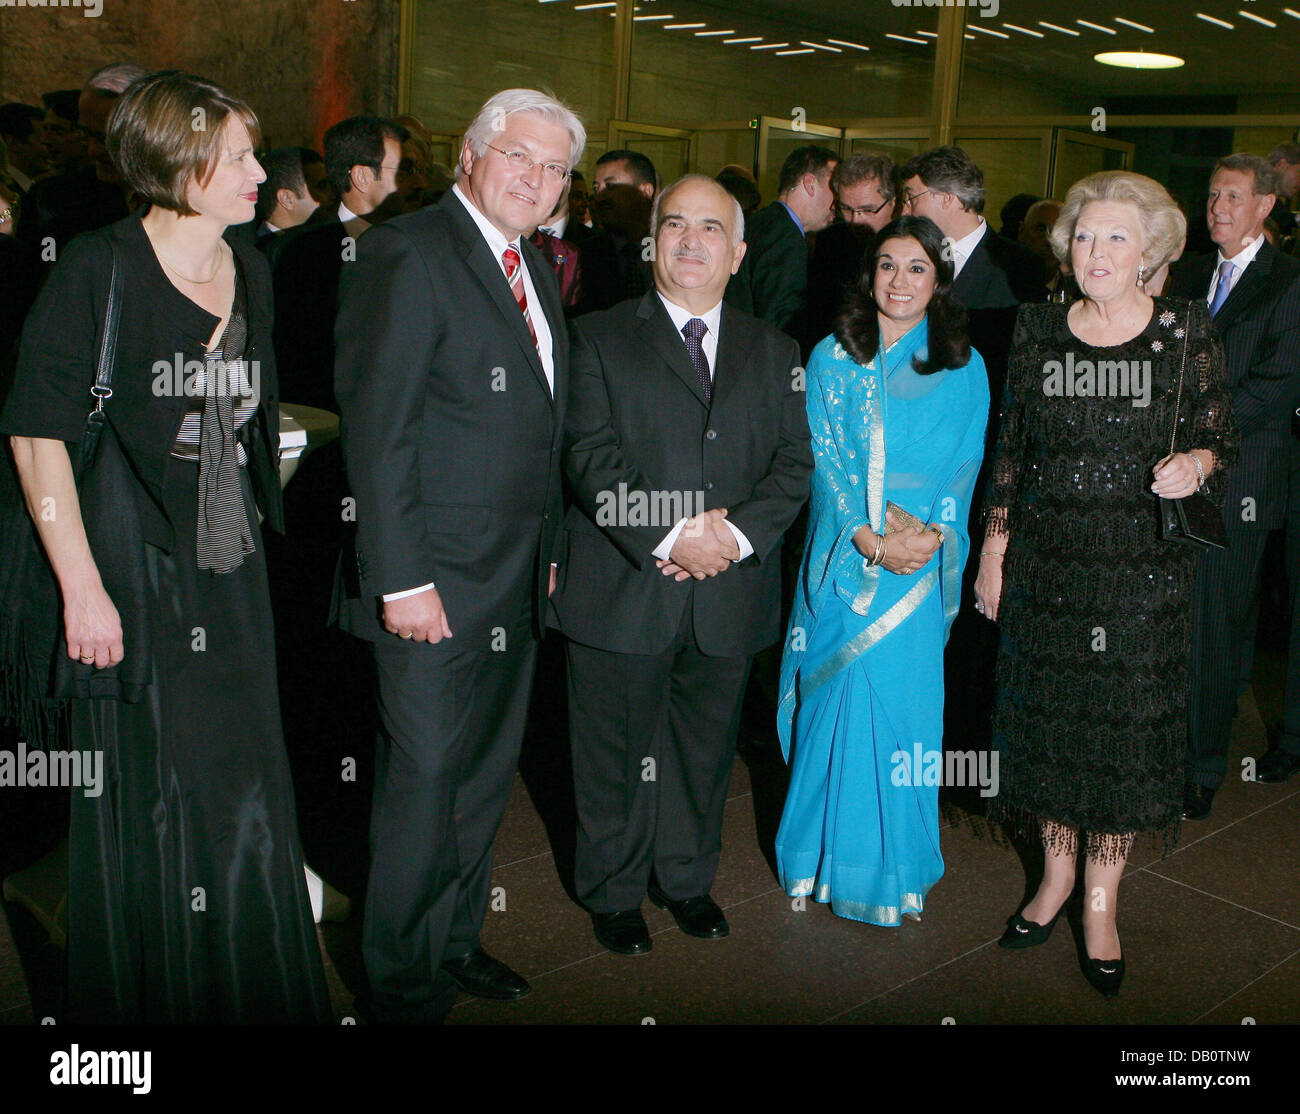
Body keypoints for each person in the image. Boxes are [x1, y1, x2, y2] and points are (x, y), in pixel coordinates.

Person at [0, 70, 330, 1023]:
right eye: (238, 158)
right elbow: (37, 435)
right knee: (151, 795)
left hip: (229, 565)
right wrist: (81, 590)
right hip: (128, 566)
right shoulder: (97, 268)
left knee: (248, 784)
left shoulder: (252, 267)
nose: (259, 173)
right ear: (180, 167)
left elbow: (240, 416)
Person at [332, 87, 584, 1024]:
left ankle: (453, 941)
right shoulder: (406, 252)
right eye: (520, 155)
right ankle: (400, 986)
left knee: (481, 777)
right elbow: (380, 432)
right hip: (430, 586)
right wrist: (402, 578)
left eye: (555, 167)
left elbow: (540, 432)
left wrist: (549, 552)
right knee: (424, 781)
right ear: (472, 155)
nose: (537, 178)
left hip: (514, 584)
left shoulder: (531, 265)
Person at [975, 171, 1238, 996]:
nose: (1097, 251)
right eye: (1085, 236)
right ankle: (1054, 879)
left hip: (1140, 576)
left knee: (1122, 739)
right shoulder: (1038, 330)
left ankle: (1099, 899)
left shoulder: (1183, 332)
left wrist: (1196, 463)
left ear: (1150, 251)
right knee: (1053, 732)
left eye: (1117, 237)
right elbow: (1013, 449)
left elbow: (1217, 438)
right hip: (1050, 568)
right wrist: (995, 548)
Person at [549, 174, 812, 956]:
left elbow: (794, 464)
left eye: (709, 228)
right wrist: (672, 537)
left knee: (702, 754)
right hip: (624, 587)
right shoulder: (594, 337)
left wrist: (729, 543)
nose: (690, 241)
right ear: (651, 241)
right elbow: (589, 459)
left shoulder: (775, 349)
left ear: (738, 252)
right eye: (674, 225)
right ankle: (615, 891)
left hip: (727, 593)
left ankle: (688, 881)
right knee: (613, 756)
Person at [776, 215, 988, 926]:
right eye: (887, 266)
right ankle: (818, 859)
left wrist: (931, 533)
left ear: (939, 281)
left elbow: (966, 464)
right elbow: (823, 464)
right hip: (847, 561)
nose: (900, 282)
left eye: (917, 269)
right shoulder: (834, 358)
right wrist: (869, 536)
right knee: (834, 710)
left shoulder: (964, 363)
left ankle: (892, 870)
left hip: (919, 562)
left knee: (902, 715)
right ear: (868, 275)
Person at [1169, 155, 1300, 811]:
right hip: (1174, 477)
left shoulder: (1288, 283)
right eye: (1213, 193)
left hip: (1239, 482)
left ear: (1266, 205)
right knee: (1170, 618)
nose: (1217, 206)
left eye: (1232, 196)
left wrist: (1197, 436)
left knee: (1218, 626)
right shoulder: (1190, 274)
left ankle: (1201, 767)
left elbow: (1276, 389)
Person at [725, 145, 838, 337]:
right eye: (834, 187)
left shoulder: (762, 222)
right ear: (810, 184)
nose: (838, 199)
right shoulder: (785, 236)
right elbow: (780, 324)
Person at [803, 153, 895, 358]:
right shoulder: (828, 244)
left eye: (868, 210)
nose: (856, 220)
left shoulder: (913, 246)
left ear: (893, 202)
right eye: (846, 209)